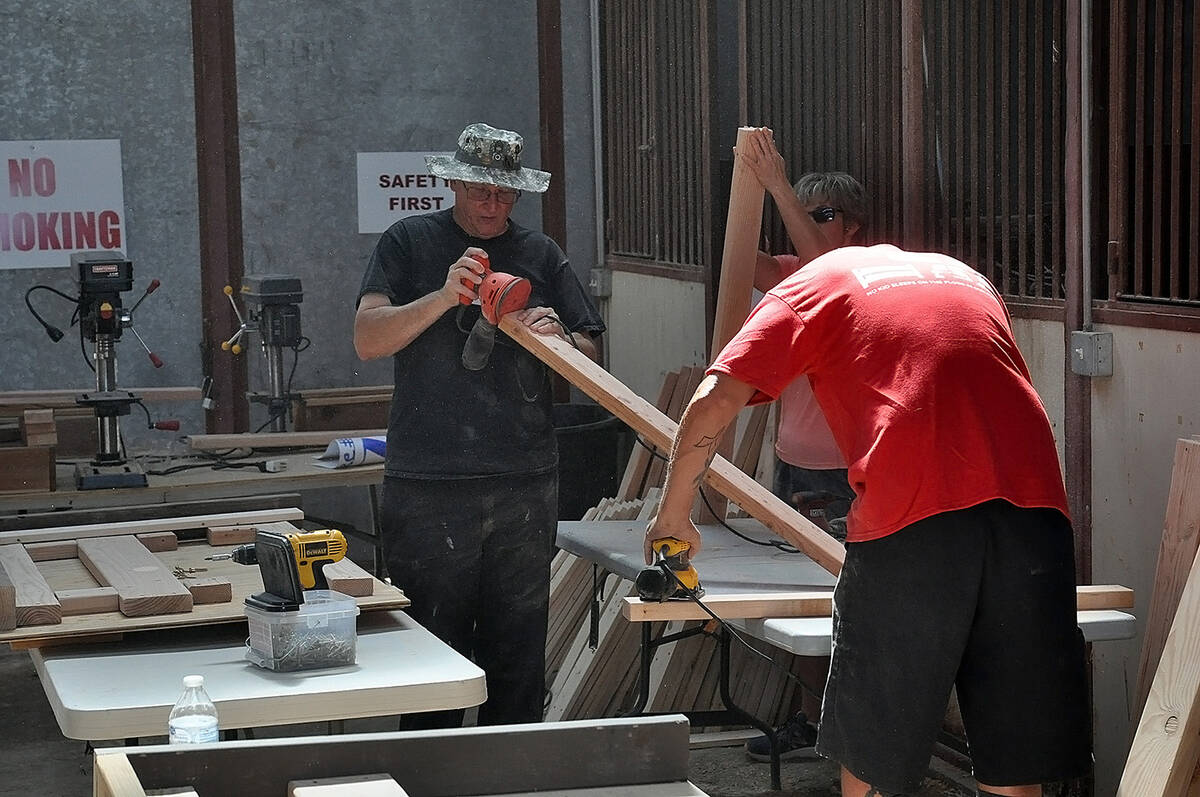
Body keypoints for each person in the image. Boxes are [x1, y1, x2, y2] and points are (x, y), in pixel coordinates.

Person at [644, 190, 1089, 791]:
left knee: (876, 755)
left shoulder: (808, 288)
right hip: (1036, 515)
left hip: (914, 516)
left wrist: (674, 517)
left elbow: (711, 400)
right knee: (1014, 759)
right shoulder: (966, 278)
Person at [354, 122, 605, 728]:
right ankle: (428, 778)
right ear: (456, 183)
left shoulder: (541, 255)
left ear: (517, 193)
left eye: (503, 193)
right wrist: (444, 297)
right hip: (429, 481)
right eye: (479, 191)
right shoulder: (409, 243)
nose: (491, 204)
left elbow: (592, 357)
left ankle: (509, 781)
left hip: (523, 481)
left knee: (516, 656)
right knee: (428, 655)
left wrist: (560, 342)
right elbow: (366, 339)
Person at [743, 129, 866, 544]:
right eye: (802, 212)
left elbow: (824, 267)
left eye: (823, 215)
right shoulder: (789, 270)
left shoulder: (858, 275)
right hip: (790, 458)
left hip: (842, 464)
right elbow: (737, 259)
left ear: (852, 225)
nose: (809, 222)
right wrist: (748, 184)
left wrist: (778, 185)